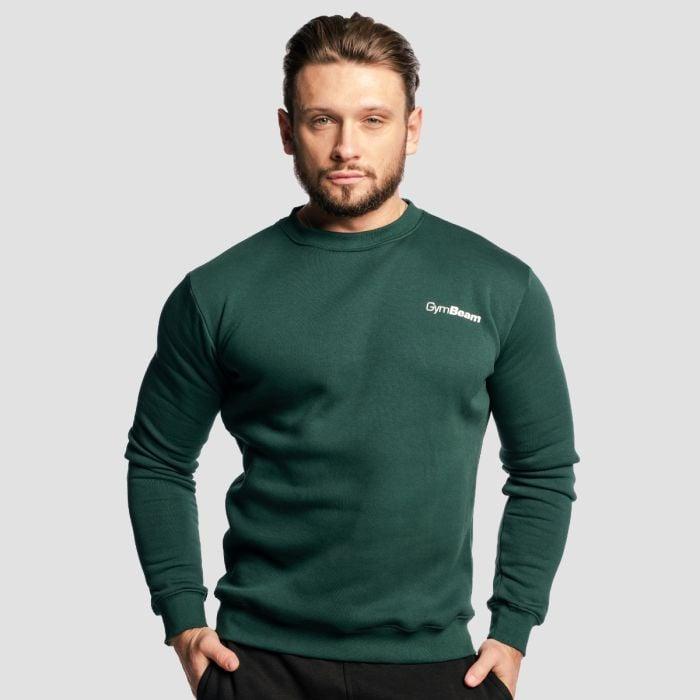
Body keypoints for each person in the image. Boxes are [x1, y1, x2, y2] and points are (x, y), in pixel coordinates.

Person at [124, 12, 581, 699]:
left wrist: (513, 628)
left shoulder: (498, 286)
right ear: (287, 131)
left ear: (412, 129)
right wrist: (183, 620)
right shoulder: (216, 292)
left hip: (438, 666)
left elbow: (543, 467)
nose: (346, 147)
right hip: (257, 665)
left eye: (372, 120)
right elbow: (159, 460)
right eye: (322, 120)